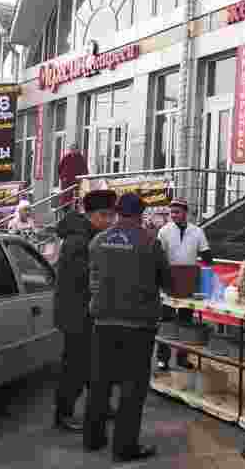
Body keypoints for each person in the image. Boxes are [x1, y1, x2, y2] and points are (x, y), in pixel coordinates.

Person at [85, 192, 171, 462]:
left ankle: (93, 438)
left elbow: (93, 276)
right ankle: (124, 447)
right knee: (132, 387)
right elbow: (167, 282)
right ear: (141, 214)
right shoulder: (150, 242)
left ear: (118, 212)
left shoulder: (98, 241)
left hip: (103, 321)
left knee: (100, 382)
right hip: (138, 324)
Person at [52, 190, 118, 433]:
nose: (109, 221)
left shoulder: (92, 236)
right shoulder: (78, 241)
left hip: (90, 312)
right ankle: (63, 414)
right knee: (75, 367)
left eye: (112, 215)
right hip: (77, 314)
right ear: (91, 215)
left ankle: (100, 406)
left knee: (97, 364)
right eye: (104, 215)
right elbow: (82, 278)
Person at [155, 199, 212, 371]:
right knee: (166, 321)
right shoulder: (164, 231)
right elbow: (159, 255)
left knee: (186, 322)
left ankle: (182, 358)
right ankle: (162, 358)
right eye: (171, 212)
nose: (173, 215)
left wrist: (207, 269)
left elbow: (206, 255)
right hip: (169, 280)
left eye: (177, 212)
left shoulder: (197, 231)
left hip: (188, 282)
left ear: (185, 213)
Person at [58, 143, 90, 210]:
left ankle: (74, 209)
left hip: (76, 182)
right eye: (71, 149)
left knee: (75, 197)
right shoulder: (66, 157)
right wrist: (62, 177)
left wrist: (83, 179)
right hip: (66, 182)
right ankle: (64, 209)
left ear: (77, 150)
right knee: (65, 197)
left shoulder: (81, 158)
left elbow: (85, 170)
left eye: (74, 149)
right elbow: (60, 168)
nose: (72, 150)